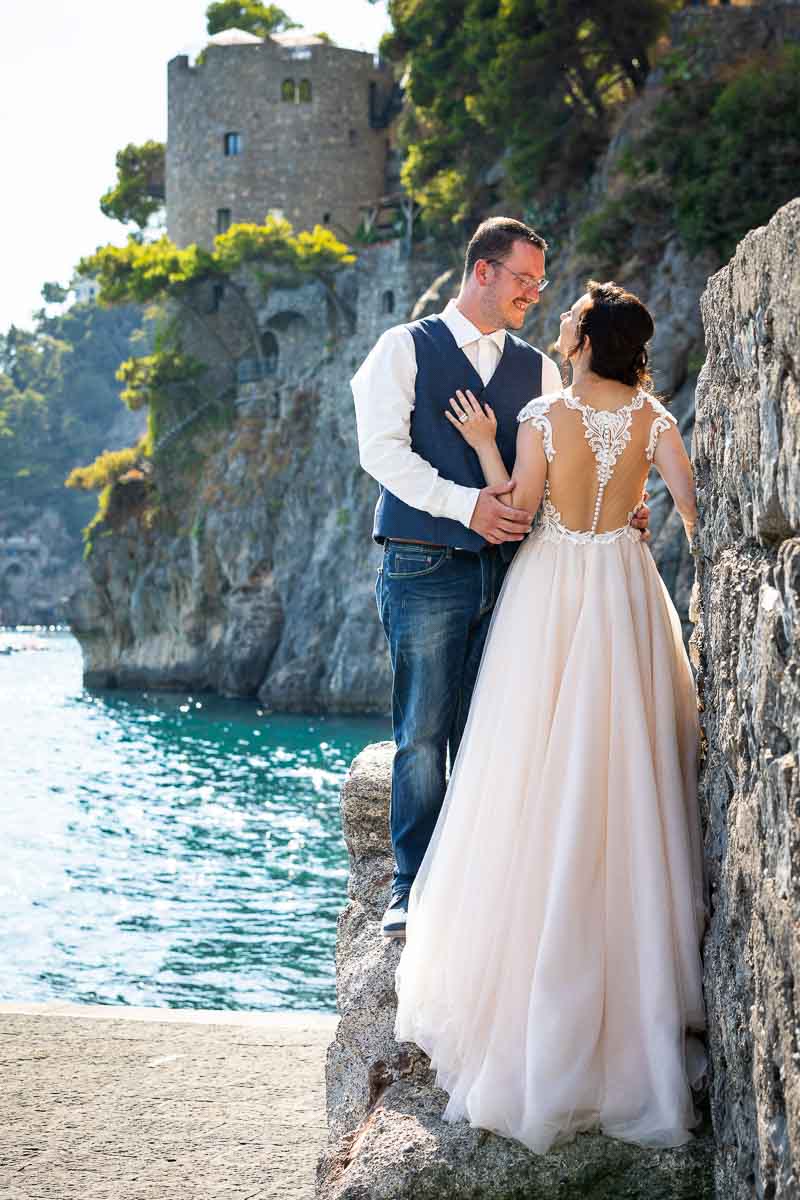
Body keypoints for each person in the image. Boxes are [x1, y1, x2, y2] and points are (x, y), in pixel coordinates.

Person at [393, 280, 707, 1153]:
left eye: (567, 321)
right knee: (625, 765)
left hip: (552, 594)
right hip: (628, 593)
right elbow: (691, 510)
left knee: (528, 764)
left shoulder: (541, 415)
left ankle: (530, 965)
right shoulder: (656, 418)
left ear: (581, 341)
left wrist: (487, 448)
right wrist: (641, 517)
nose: (558, 326)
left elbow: (521, 511)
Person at [352, 219, 650, 939]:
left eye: (541, 283)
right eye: (524, 279)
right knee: (422, 731)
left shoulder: (538, 369)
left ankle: (482, 878)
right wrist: (467, 507)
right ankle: (413, 881)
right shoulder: (403, 349)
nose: (534, 294)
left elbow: (553, 467)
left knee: (496, 729)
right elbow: (380, 453)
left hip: (517, 575)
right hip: (424, 562)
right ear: (482, 272)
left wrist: (618, 507)